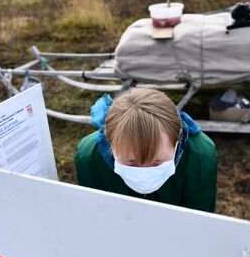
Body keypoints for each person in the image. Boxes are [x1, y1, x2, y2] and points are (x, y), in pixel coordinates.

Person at [74, 88, 218, 212]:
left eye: (157, 162)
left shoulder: (201, 156)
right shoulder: (89, 157)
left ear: (177, 138)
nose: (144, 174)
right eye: (131, 163)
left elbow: (199, 221)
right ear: (109, 142)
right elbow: (95, 215)